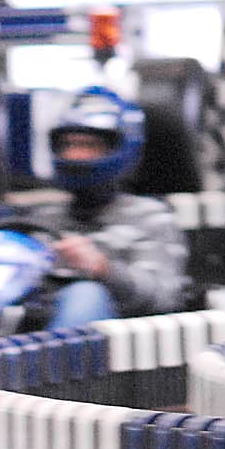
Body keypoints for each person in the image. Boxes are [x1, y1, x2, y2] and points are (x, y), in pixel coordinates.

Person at [32, 86, 189, 328]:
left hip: (124, 346)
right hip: (36, 336)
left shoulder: (150, 219)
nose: (76, 155)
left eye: (89, 145)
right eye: (69, 144)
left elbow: (162, 296)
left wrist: (103, 269)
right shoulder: (43, 220)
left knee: (85, 295)